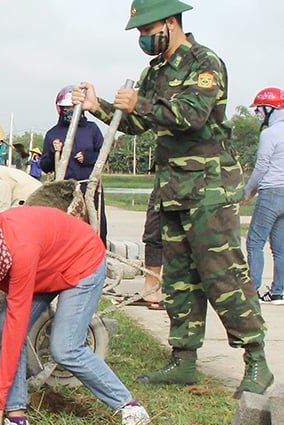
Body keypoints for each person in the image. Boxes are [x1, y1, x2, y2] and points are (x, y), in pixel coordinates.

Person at [73, 0, 273, 396]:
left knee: (223, 275)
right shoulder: (155, 72)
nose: (143, 40)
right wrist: (101, 107)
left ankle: (256, 360)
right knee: (179, 280)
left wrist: (141, 103)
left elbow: (192, 115)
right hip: (173, 190)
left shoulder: (204, 63)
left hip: (208, 190)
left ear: (169, 23)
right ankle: (183, 359)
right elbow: (139, 123)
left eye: (147, 32)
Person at [0, 189, 150, 425]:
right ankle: (17, 420)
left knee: (65, 348)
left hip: (80, 261)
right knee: (4, 333)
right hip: (41, 272)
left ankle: (130, 406)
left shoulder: (19, 246)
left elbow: (17, 324)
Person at [40, 84, 108, 242]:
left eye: (73, 107)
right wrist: (53, 151)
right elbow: (45, 166)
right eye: (66, 107)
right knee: (66, 232)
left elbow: (104, 156)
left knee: (96, 227)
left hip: (90, 188)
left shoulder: (92, 129)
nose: (70, 110)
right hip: (65, 191)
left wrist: (88, 157)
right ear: (60, 109)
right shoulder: (52, 134)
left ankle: (99, 258)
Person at [245, 87, 284, 305]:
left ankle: (252, 290)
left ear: (269, 107)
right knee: (280, 247)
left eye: (259, 110)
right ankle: (278, 292)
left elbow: (261, 166)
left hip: (271, 192)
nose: (258, 114)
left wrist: (248, 190)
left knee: (255, 242)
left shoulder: (270, 133)